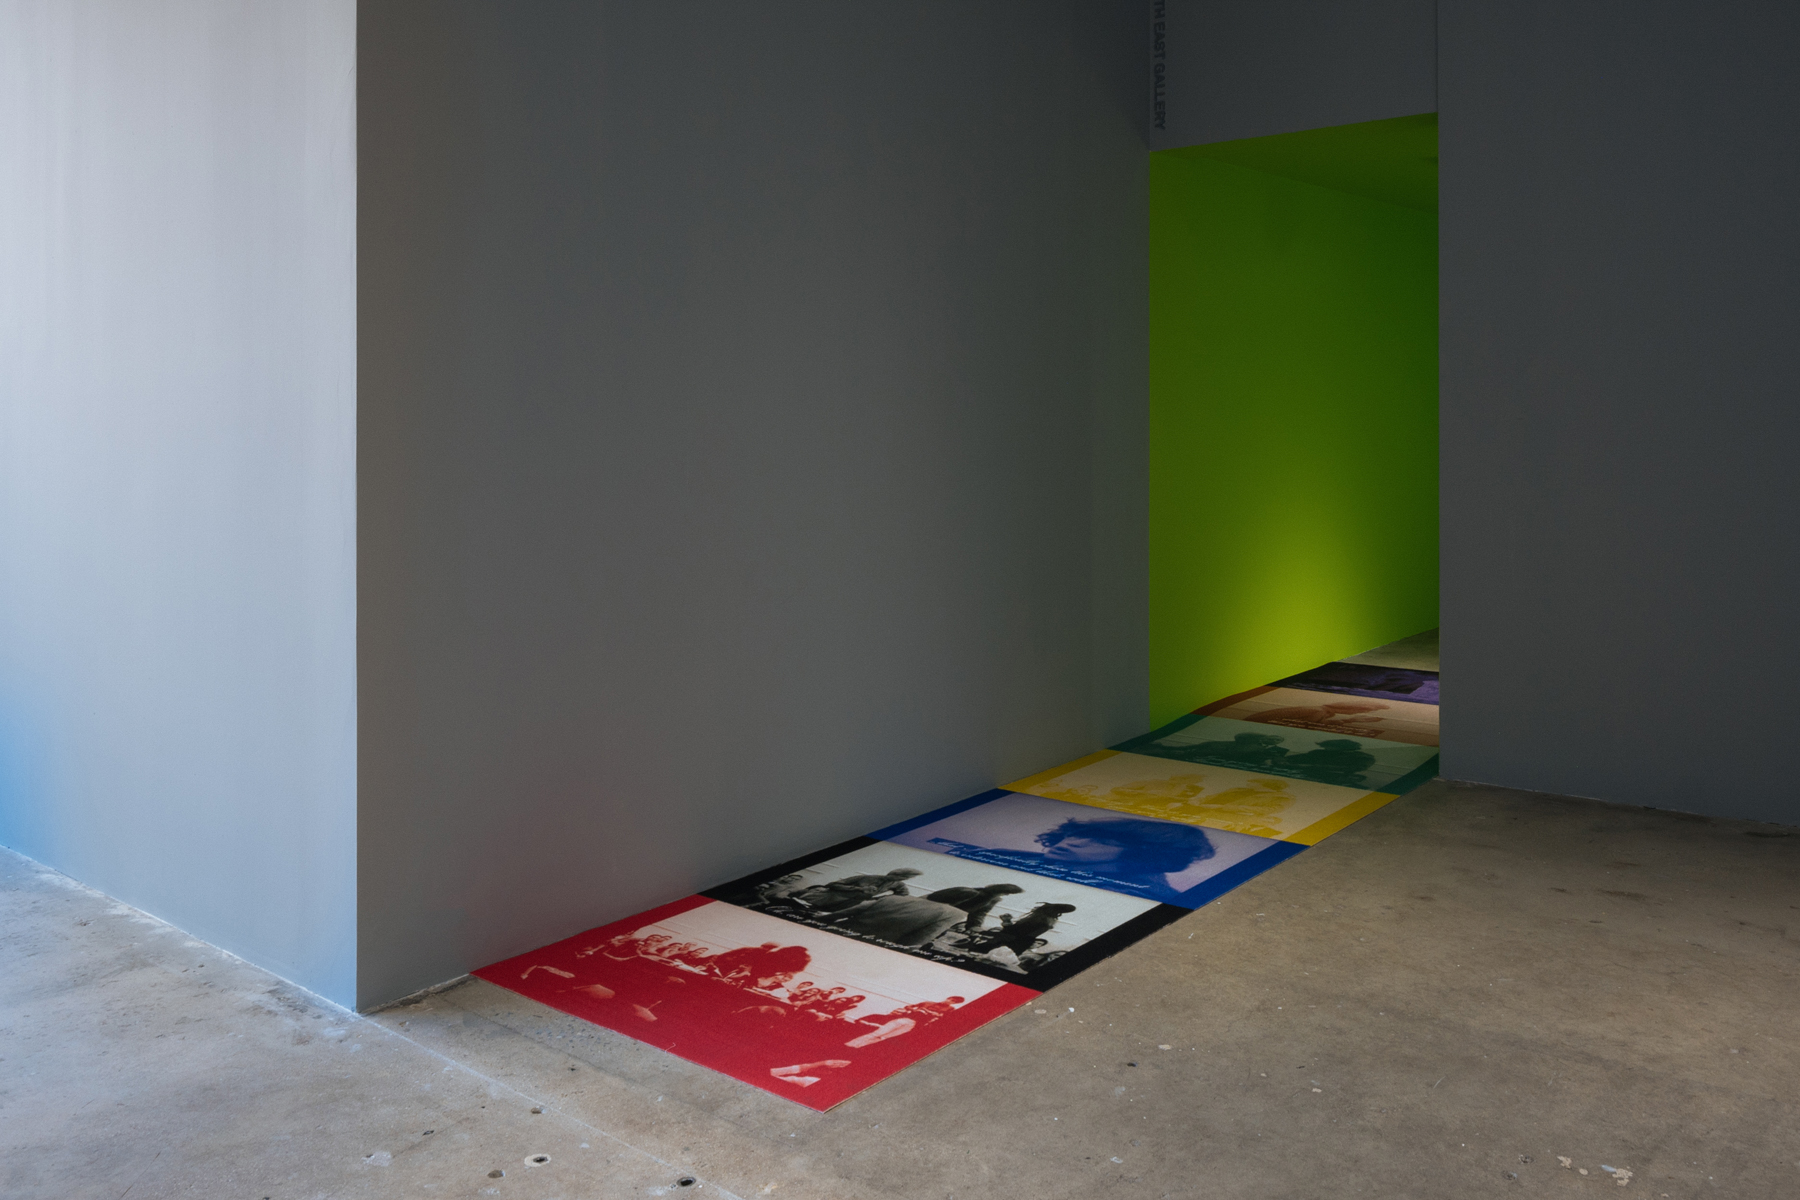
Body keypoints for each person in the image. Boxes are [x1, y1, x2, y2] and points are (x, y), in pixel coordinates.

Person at [936, 815, 1216, 903]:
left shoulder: (1152, 896)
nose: (1070, 842)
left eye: (1101, 840)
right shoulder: (1000, 855)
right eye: (1076, 834)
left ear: (1144, 852)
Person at [788, 868, 923, 913]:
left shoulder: (898, 885)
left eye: (907, 878)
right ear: (894, 873)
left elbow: (903, 896)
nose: (904, 880)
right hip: (826, 898)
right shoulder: (866, 877)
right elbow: (832, 884)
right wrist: (860, 888)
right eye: (902, 877)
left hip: (846, 906)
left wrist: (879, 899)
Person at [972, 903, 1076, 958]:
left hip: (1004, 945)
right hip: (1013, 946)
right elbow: (1015, 934)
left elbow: (1011, 934)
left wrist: (1006, 921)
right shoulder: (1045, 924)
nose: (1033, 911)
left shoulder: (1035, 922)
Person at [1161, 730, 1289, 769]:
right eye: (1273, 737)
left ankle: (1174, 754)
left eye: (1277, 740)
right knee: (1194, 747)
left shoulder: (1268, 749)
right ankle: (1167, 749)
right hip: (1222, 745)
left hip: (1225, 753)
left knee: (1198, 752)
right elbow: (1239, 736)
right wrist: (1262, 736)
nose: (1274, 740)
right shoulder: (1253, 738)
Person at [1280, 738, 1378, 787]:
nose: (1325, 749)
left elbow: (1356, 768)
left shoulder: (1362, 757)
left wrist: (1311, 766)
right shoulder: (1319, 752)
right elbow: (1298, 757)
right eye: (1325, 747)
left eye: (1329, 746)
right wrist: (1283, 760)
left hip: (1338, 778)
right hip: (1308, 774)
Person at [1246, 699, 1389, 729]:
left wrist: (1351, 720)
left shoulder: (1320, 710)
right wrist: (1351, 720)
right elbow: (1310, 725)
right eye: (1360, 710)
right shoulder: (1318, 711)